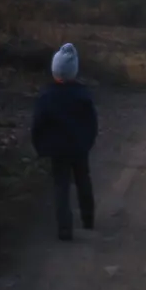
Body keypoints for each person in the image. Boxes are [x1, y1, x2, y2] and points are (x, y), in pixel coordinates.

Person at [30, 43, 99, 241]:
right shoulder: (83, 95)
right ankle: (88, 219)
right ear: (74, 71)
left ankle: (64, 228)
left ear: (54, 70)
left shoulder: (46, 96)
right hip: (79, 147)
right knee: (83, 181)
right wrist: (88, 142)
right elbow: (92, 123)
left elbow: (38, 124)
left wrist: (39, 146)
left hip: (56, 148)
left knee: (61, 186)